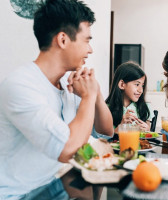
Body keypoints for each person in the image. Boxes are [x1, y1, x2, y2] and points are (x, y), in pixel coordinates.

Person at [0, 0, 113, 199]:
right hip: (22, 194)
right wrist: (87, 97)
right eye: (87, 40)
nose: (90, 50)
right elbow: (68, 149)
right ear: (62, 40)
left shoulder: (68, 84)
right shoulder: (20, 85)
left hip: (55, 182)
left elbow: (107, 129)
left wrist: (94, 92)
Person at [106, 62, 153, 132]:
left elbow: (148, 132)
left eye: (142, 85)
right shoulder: (106, 109)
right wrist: (120, 128)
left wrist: (147, 129)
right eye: (137, 84)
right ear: (122, 84)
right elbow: (104, 138)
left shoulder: (145, 107)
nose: (141, 90)